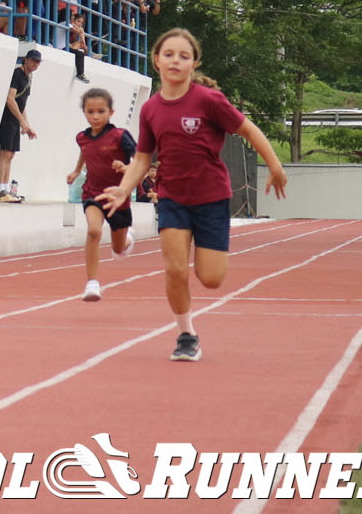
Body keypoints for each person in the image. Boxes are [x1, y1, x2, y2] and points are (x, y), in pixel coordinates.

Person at [97, 28, 287, 362]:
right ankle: (186, 334)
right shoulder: (151, 109)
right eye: (168, 54)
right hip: (172, 197)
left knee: (211, 278)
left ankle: (194, 311)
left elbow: (247, 129)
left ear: (194, 63)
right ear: (156, 61)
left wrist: (274, 165)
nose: (175, 61)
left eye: (184, 56)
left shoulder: (209, 101)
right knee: (175, 270)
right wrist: (124, 189)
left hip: (212, 197)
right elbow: (143, 157)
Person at [65, 88, 138, 303]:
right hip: (93, 194)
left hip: (118, 198)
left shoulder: (120, 136)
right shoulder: (82, 137)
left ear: (111, 112)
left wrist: (125, 167)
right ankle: (92, 283)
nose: (95, 116)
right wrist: (77, 170)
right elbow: (85, 152)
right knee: (94, 231)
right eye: (90, 112)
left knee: (118, 249)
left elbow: (139, 161)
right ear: (84, 113)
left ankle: (127, 239)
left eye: (100, 111)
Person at [0, 49, 41, 200]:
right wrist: (21, 121)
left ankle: (6, 189)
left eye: (38, 62)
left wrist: (26, 125)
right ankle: (0, 189)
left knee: (11, 154)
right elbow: (10, 99)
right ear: (26, 59)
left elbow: (22, 104)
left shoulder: (29, 78)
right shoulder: (17, 74)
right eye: (33, 60)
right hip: (8, 118)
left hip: (16, 119)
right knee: (5, 152)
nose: (35, 64)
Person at [69, 11, 90, 82]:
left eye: (81, 23)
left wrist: (81, 36)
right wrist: (81, 32)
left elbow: (84, 46)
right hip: (66, 45)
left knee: (81, 47)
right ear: (73, 20)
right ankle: (80, 74)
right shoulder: (70, 26)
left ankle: (92, 55)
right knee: (79, 48)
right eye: (78, 21)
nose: (80, 24)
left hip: (74, 46)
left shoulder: (77, 30)